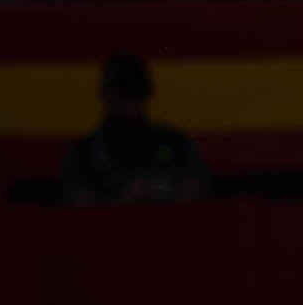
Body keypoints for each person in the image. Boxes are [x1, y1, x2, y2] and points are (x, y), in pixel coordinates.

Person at [59, 51, 209, 203]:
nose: (128, 103)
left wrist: (166, 200)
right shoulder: (84, 155)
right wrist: (125, 202)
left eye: (135, 93)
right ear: (105, 95)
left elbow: (198, 185)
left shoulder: (174, 144)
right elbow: (79, 211)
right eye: (121, 94)